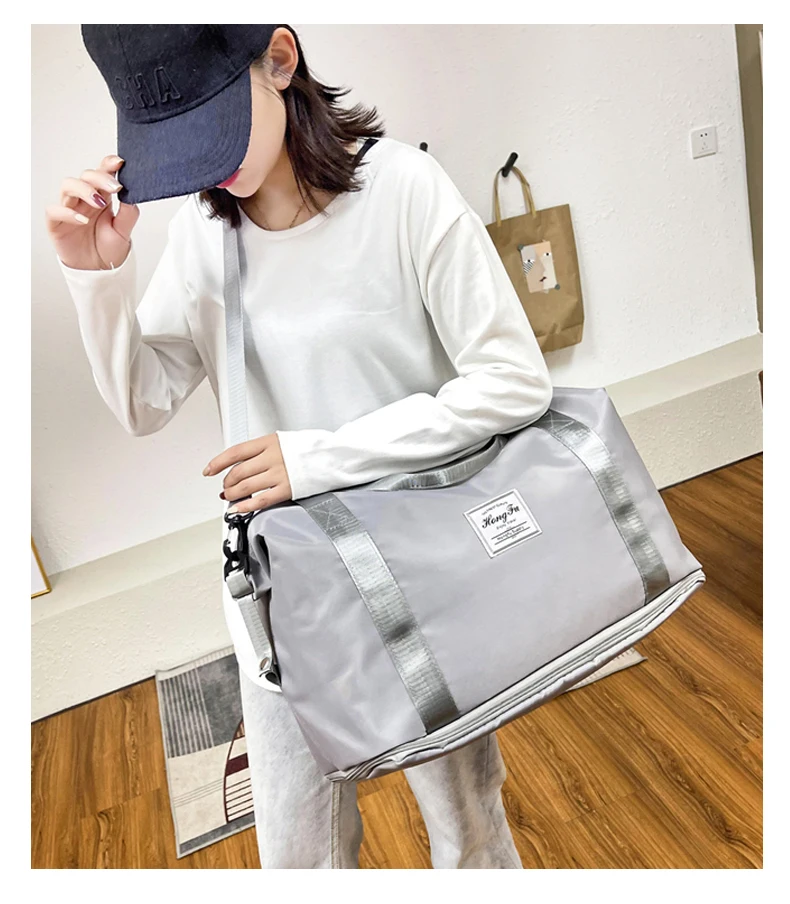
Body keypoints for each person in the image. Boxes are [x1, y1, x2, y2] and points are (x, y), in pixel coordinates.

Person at [46, 24, 553, 869]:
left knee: (467, 829)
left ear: (279, 61)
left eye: (210, 124)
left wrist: (314, 459)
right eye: (174, 142)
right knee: (298, 855)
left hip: (420, 577)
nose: (201, 163)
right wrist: (92, 275)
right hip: (281, 602)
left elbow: (513, 381)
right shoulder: (203, 237)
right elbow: (142, 403)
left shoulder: (403, 190)